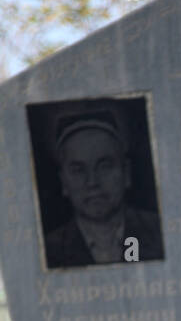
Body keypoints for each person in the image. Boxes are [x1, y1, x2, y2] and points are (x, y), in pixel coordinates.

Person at [44, 109, 164, 268]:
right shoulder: (47, 250)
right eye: (79, 170)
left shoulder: (161, 233)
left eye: (104, 166)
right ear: (64, 182)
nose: (92, 182)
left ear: (126, 173)